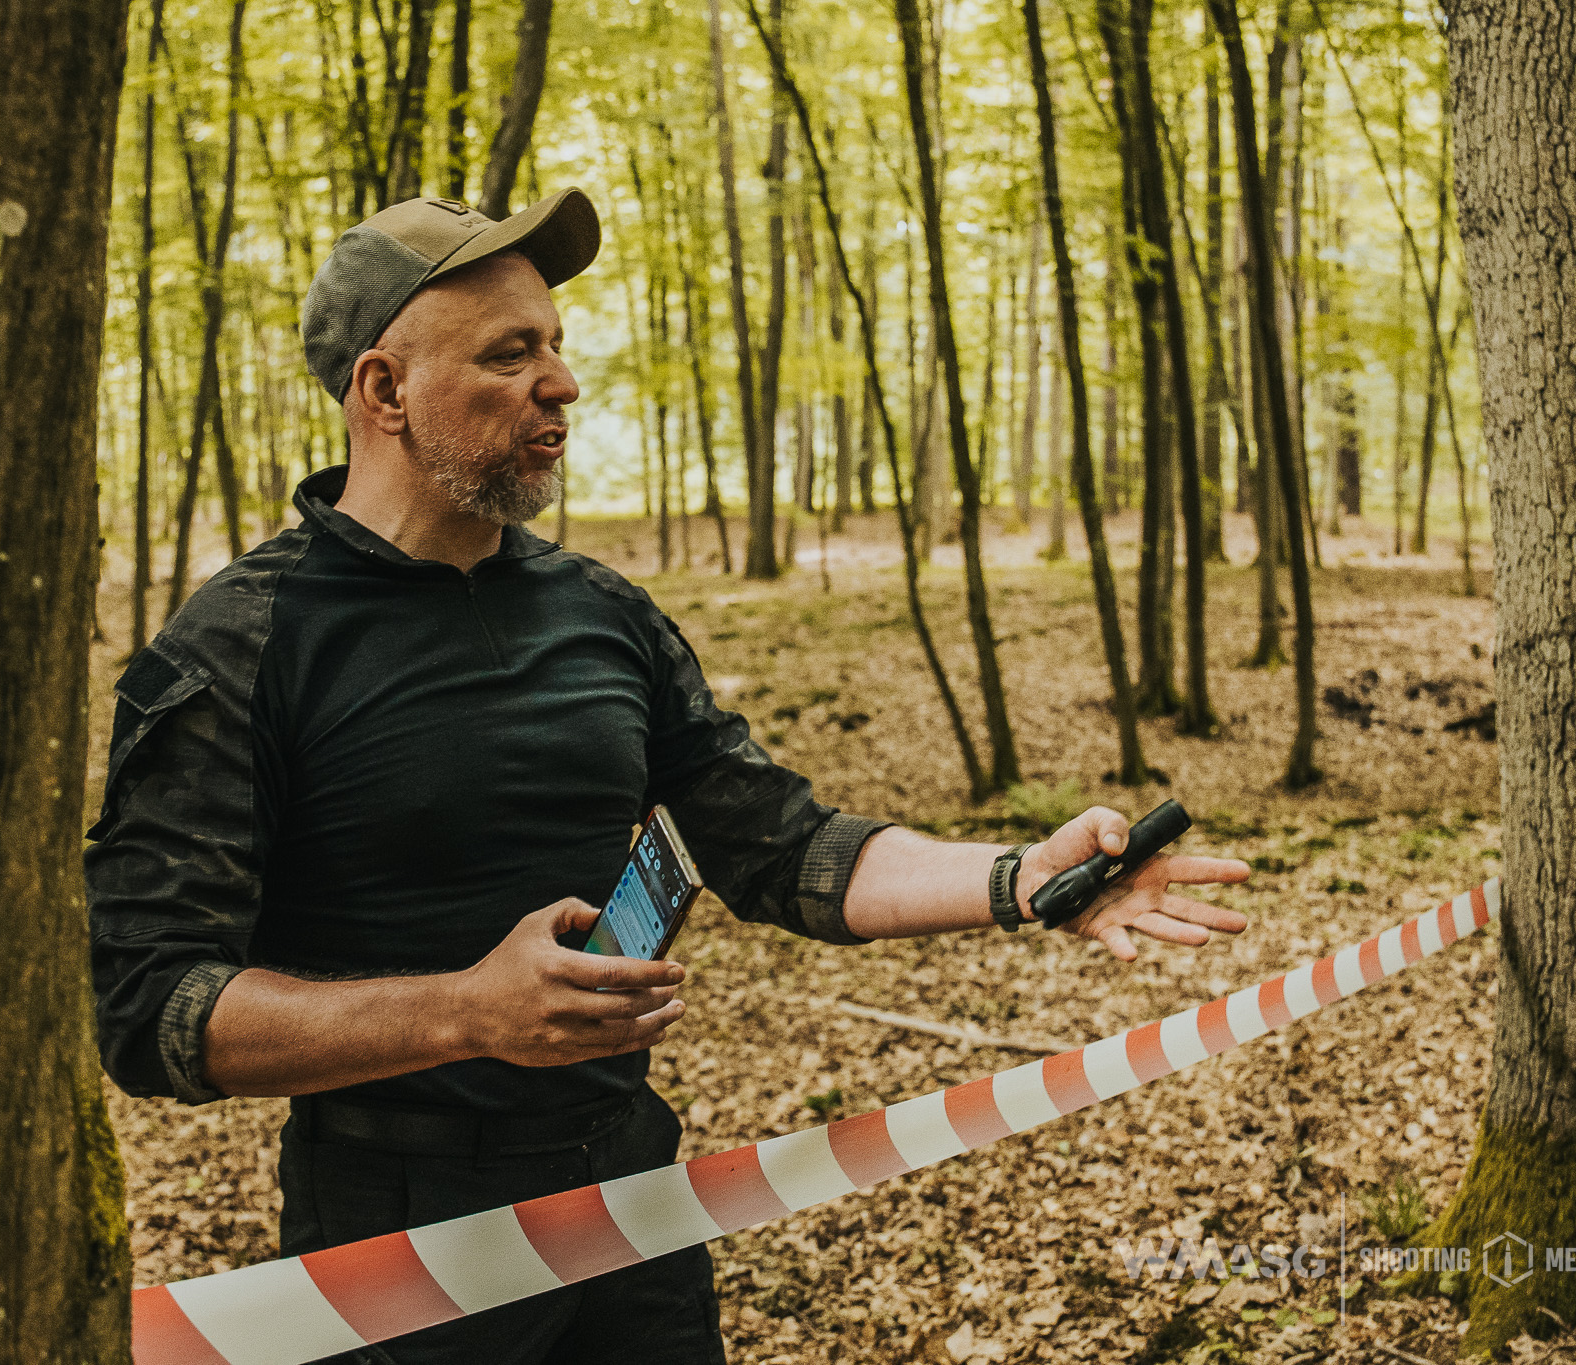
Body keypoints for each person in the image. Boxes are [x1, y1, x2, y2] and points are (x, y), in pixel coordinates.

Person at [85, 189, 1251, 1364]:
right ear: (383, 391)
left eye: (555, 345)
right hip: (394, 1247)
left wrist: (1020, 877)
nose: (561, 384)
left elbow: (780, 846)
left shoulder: (600, 615)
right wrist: (463, 1012)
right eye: (509, 354)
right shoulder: (236, 649)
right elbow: (154, 1010)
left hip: (631, 1206)